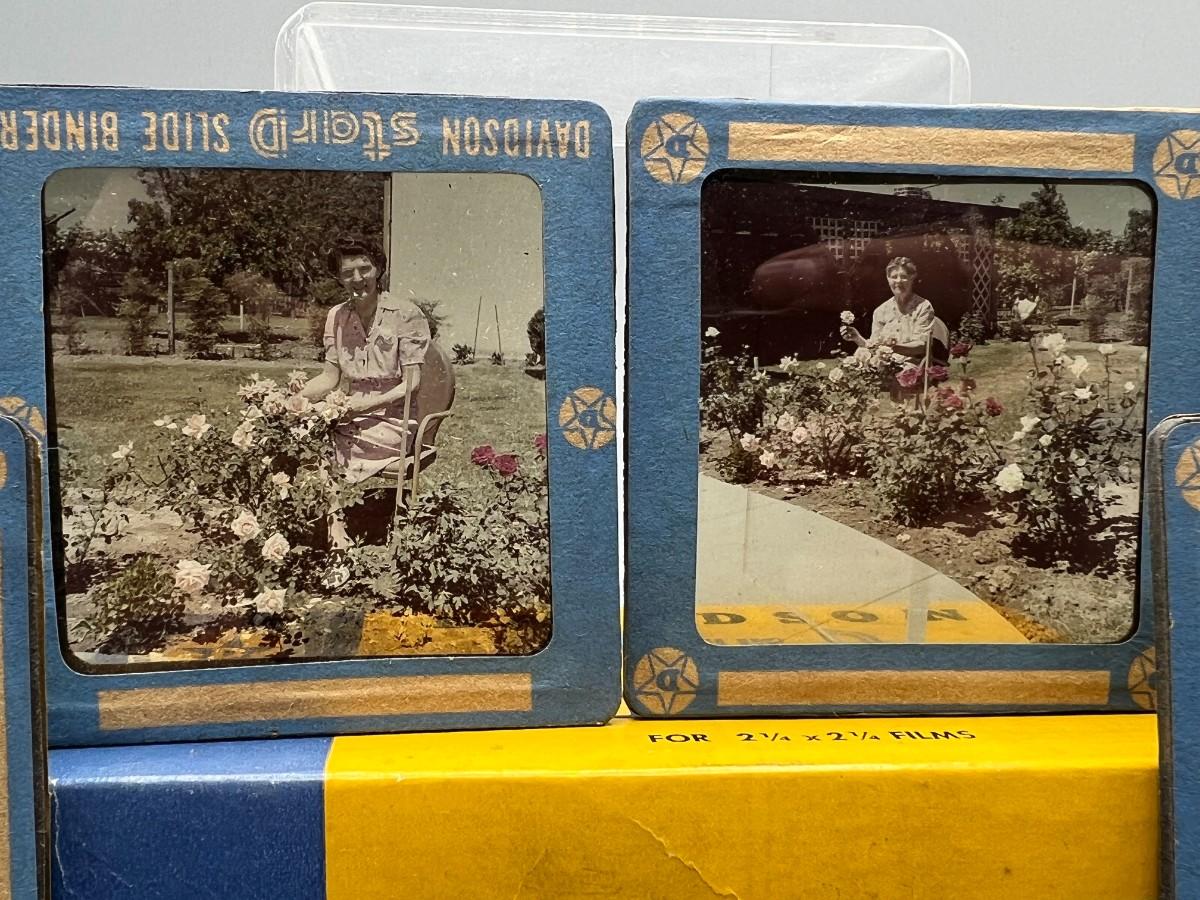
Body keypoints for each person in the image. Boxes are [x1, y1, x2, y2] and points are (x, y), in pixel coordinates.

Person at [302, 236, 431, 544]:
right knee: (300, 433)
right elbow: (328, 377)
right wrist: (291, 399)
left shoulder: (405, 313)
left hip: (394, 419)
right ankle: (335, 526)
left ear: (378, 269)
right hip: (349, 412)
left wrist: (363, 407)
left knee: (323, 443)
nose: (357, 278)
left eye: (364, 268)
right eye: (348, 272)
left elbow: (411, 383)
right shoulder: (337, 316)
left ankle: (336, 533)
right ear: (338, 277)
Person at [840, 256, 946, 363]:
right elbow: (873, 346)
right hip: (884, 363)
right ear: (888, 279)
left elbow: (922, 346)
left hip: (912, 365)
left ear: (912, 277)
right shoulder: (880, 311)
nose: (898, 281)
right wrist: (857, 338)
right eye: (894, 277)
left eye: (903, 276)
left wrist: (892, 348)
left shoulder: (923, 306)